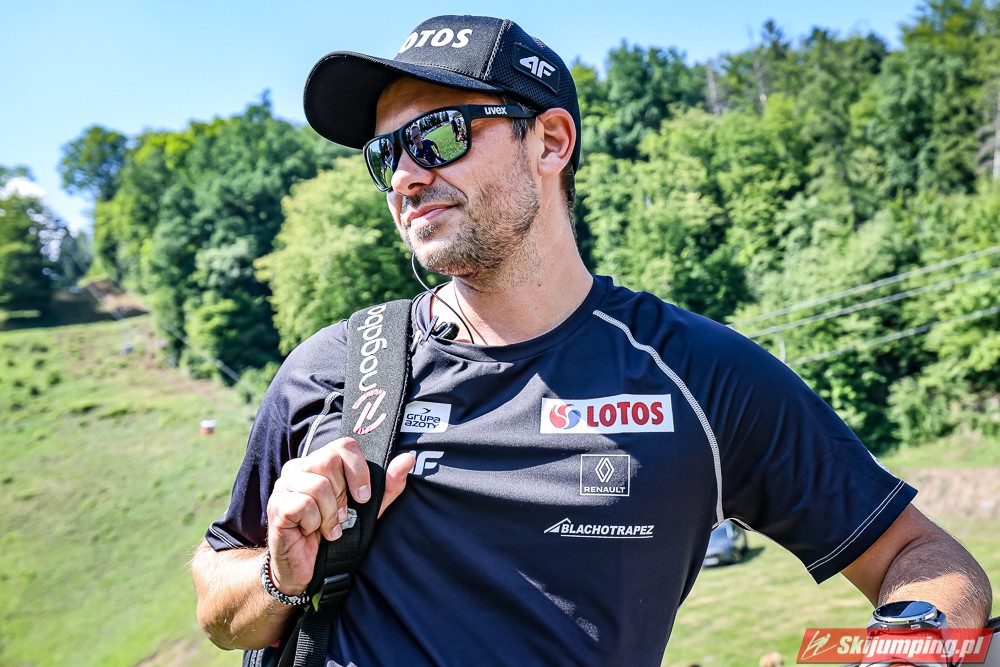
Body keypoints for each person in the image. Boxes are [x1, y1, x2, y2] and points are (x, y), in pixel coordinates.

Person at [191, 14, 992, 666]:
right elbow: (217, 603)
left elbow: (923, 557)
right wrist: (278, 576)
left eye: (436, 135)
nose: (405, 176)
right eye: (385, 154)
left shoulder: (696, 375)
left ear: (550, 142)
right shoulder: (334, 367)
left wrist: (907, 651)